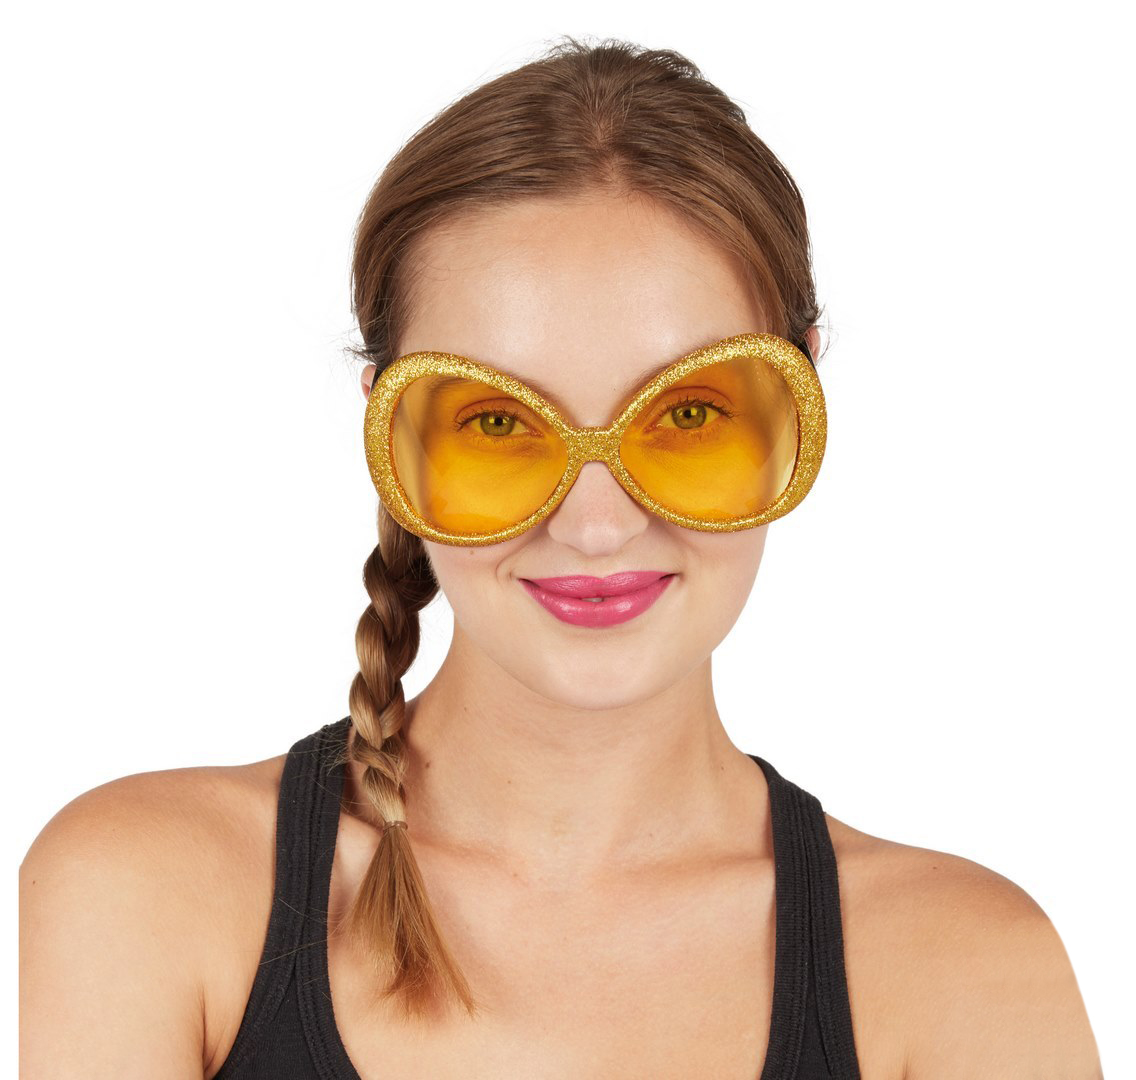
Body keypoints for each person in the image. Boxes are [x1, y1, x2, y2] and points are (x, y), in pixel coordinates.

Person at [19, 36, 1102, 1080]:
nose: (594, 526)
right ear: (392, 430)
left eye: (686, 413)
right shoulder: (146, 892)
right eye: (499, 423)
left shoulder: (965, 969)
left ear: (796, 401)